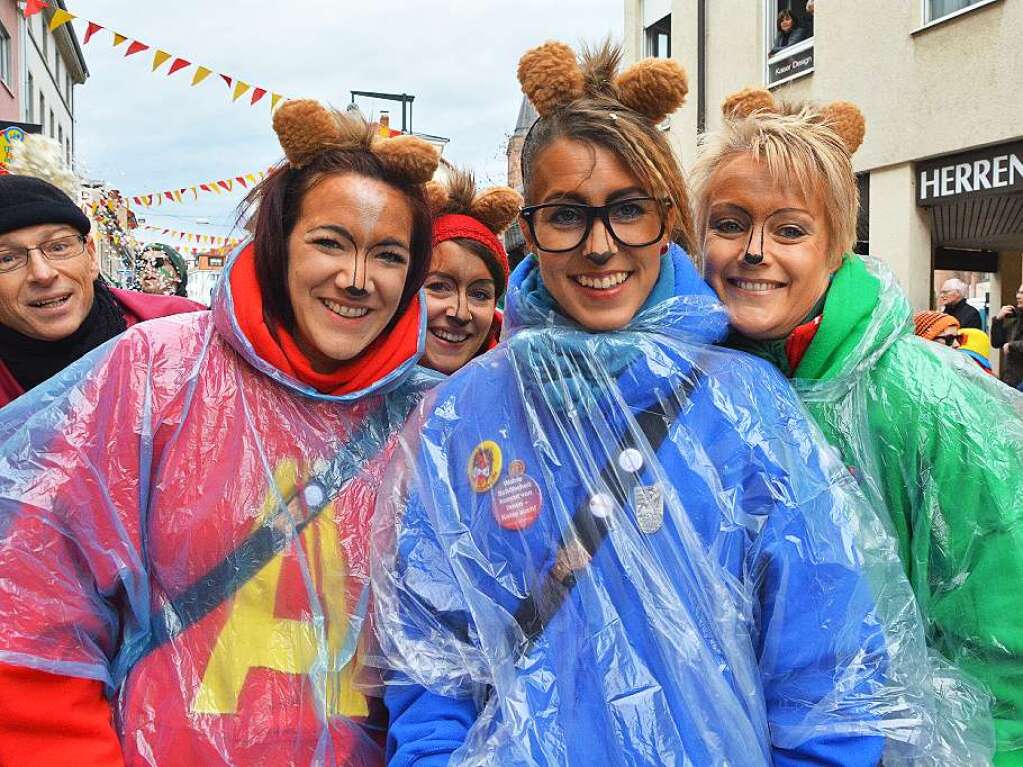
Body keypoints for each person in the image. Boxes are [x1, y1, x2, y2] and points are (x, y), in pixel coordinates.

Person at [372, 42, 990, 767]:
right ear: (530, 228)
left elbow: (827, 670)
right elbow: (429, 654)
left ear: (667, 219)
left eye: (628, 210)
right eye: (566, 214)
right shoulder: (464, 411)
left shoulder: (747, 405)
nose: (599, 246)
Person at [0, 99, 441, 766]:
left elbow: (454, 652)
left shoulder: (432, 416)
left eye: (387, 254)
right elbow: (38, 605)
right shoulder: (157, 371)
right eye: (329, 241)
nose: (355, 279)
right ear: (277, 242)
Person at [693, 86, 1023, 765]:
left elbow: (1003, 632)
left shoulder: (928, 400)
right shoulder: (679, 390)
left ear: (836, 247)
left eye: (789, 229)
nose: (755, 250)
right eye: (729, 223)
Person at [0, 176, 202, 408]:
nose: (43, 274)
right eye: (7, 258)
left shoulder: (184, 332)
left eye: (59, 247)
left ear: (91, 255)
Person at [421, 168, 521, 374]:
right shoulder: (352, 391)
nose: (461, 313)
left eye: (479, 294)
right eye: (439, 286)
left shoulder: (524, 386)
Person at [992, 284, 1023, 389]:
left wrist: (1012, 346)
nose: (1018, 296)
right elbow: (996, 343)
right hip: (1012, 379)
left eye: (1022, 293)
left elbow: (1009, 346)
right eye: (1018, 292)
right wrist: (998, 320)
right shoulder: (1016, 317)